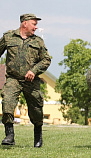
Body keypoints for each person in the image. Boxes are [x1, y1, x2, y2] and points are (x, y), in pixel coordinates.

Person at [0, 13, 51, 147]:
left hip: (31, 82)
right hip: (13, 79)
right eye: (34, 24)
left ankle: (38, 135)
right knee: (7, 104)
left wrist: (33, 71)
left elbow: (46, 60)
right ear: (25, 23)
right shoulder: (8, 37)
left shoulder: (38, 41)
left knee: (36, 110)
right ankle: (9, 136)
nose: (36, 27)